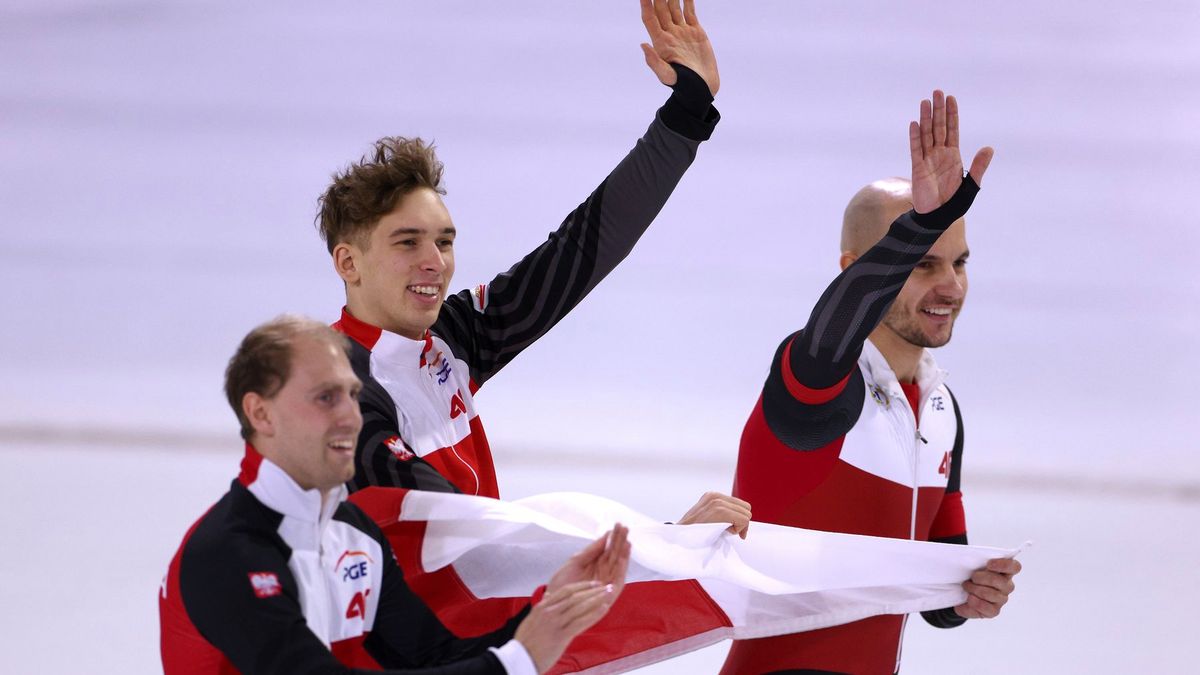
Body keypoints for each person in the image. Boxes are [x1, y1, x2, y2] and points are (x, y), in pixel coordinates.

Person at [313, 0, 749, 537]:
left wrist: (686, 114)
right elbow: (472, 540)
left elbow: (581, 250)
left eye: (445, 241)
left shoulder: (450, 334)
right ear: (348, 262)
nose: (436, 262)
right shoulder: (337, 392)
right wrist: (663, 545)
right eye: (408, 242)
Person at [720, 92, 1022, 675]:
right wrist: (922, 222)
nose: (951, 288)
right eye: (922, 263)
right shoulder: (819, 377)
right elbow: (834, 327)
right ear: (853, 269)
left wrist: (973, 593)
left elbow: (939, 590)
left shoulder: (941, 408)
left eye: (958, 263)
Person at [159, 316, 632, 674]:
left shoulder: (353, 531)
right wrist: (516, 660)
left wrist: (548, 609)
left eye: (352, 394)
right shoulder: (225, 554)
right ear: (260, 414)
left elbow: (433, 656)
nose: (351, 416)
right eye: (326, 397)